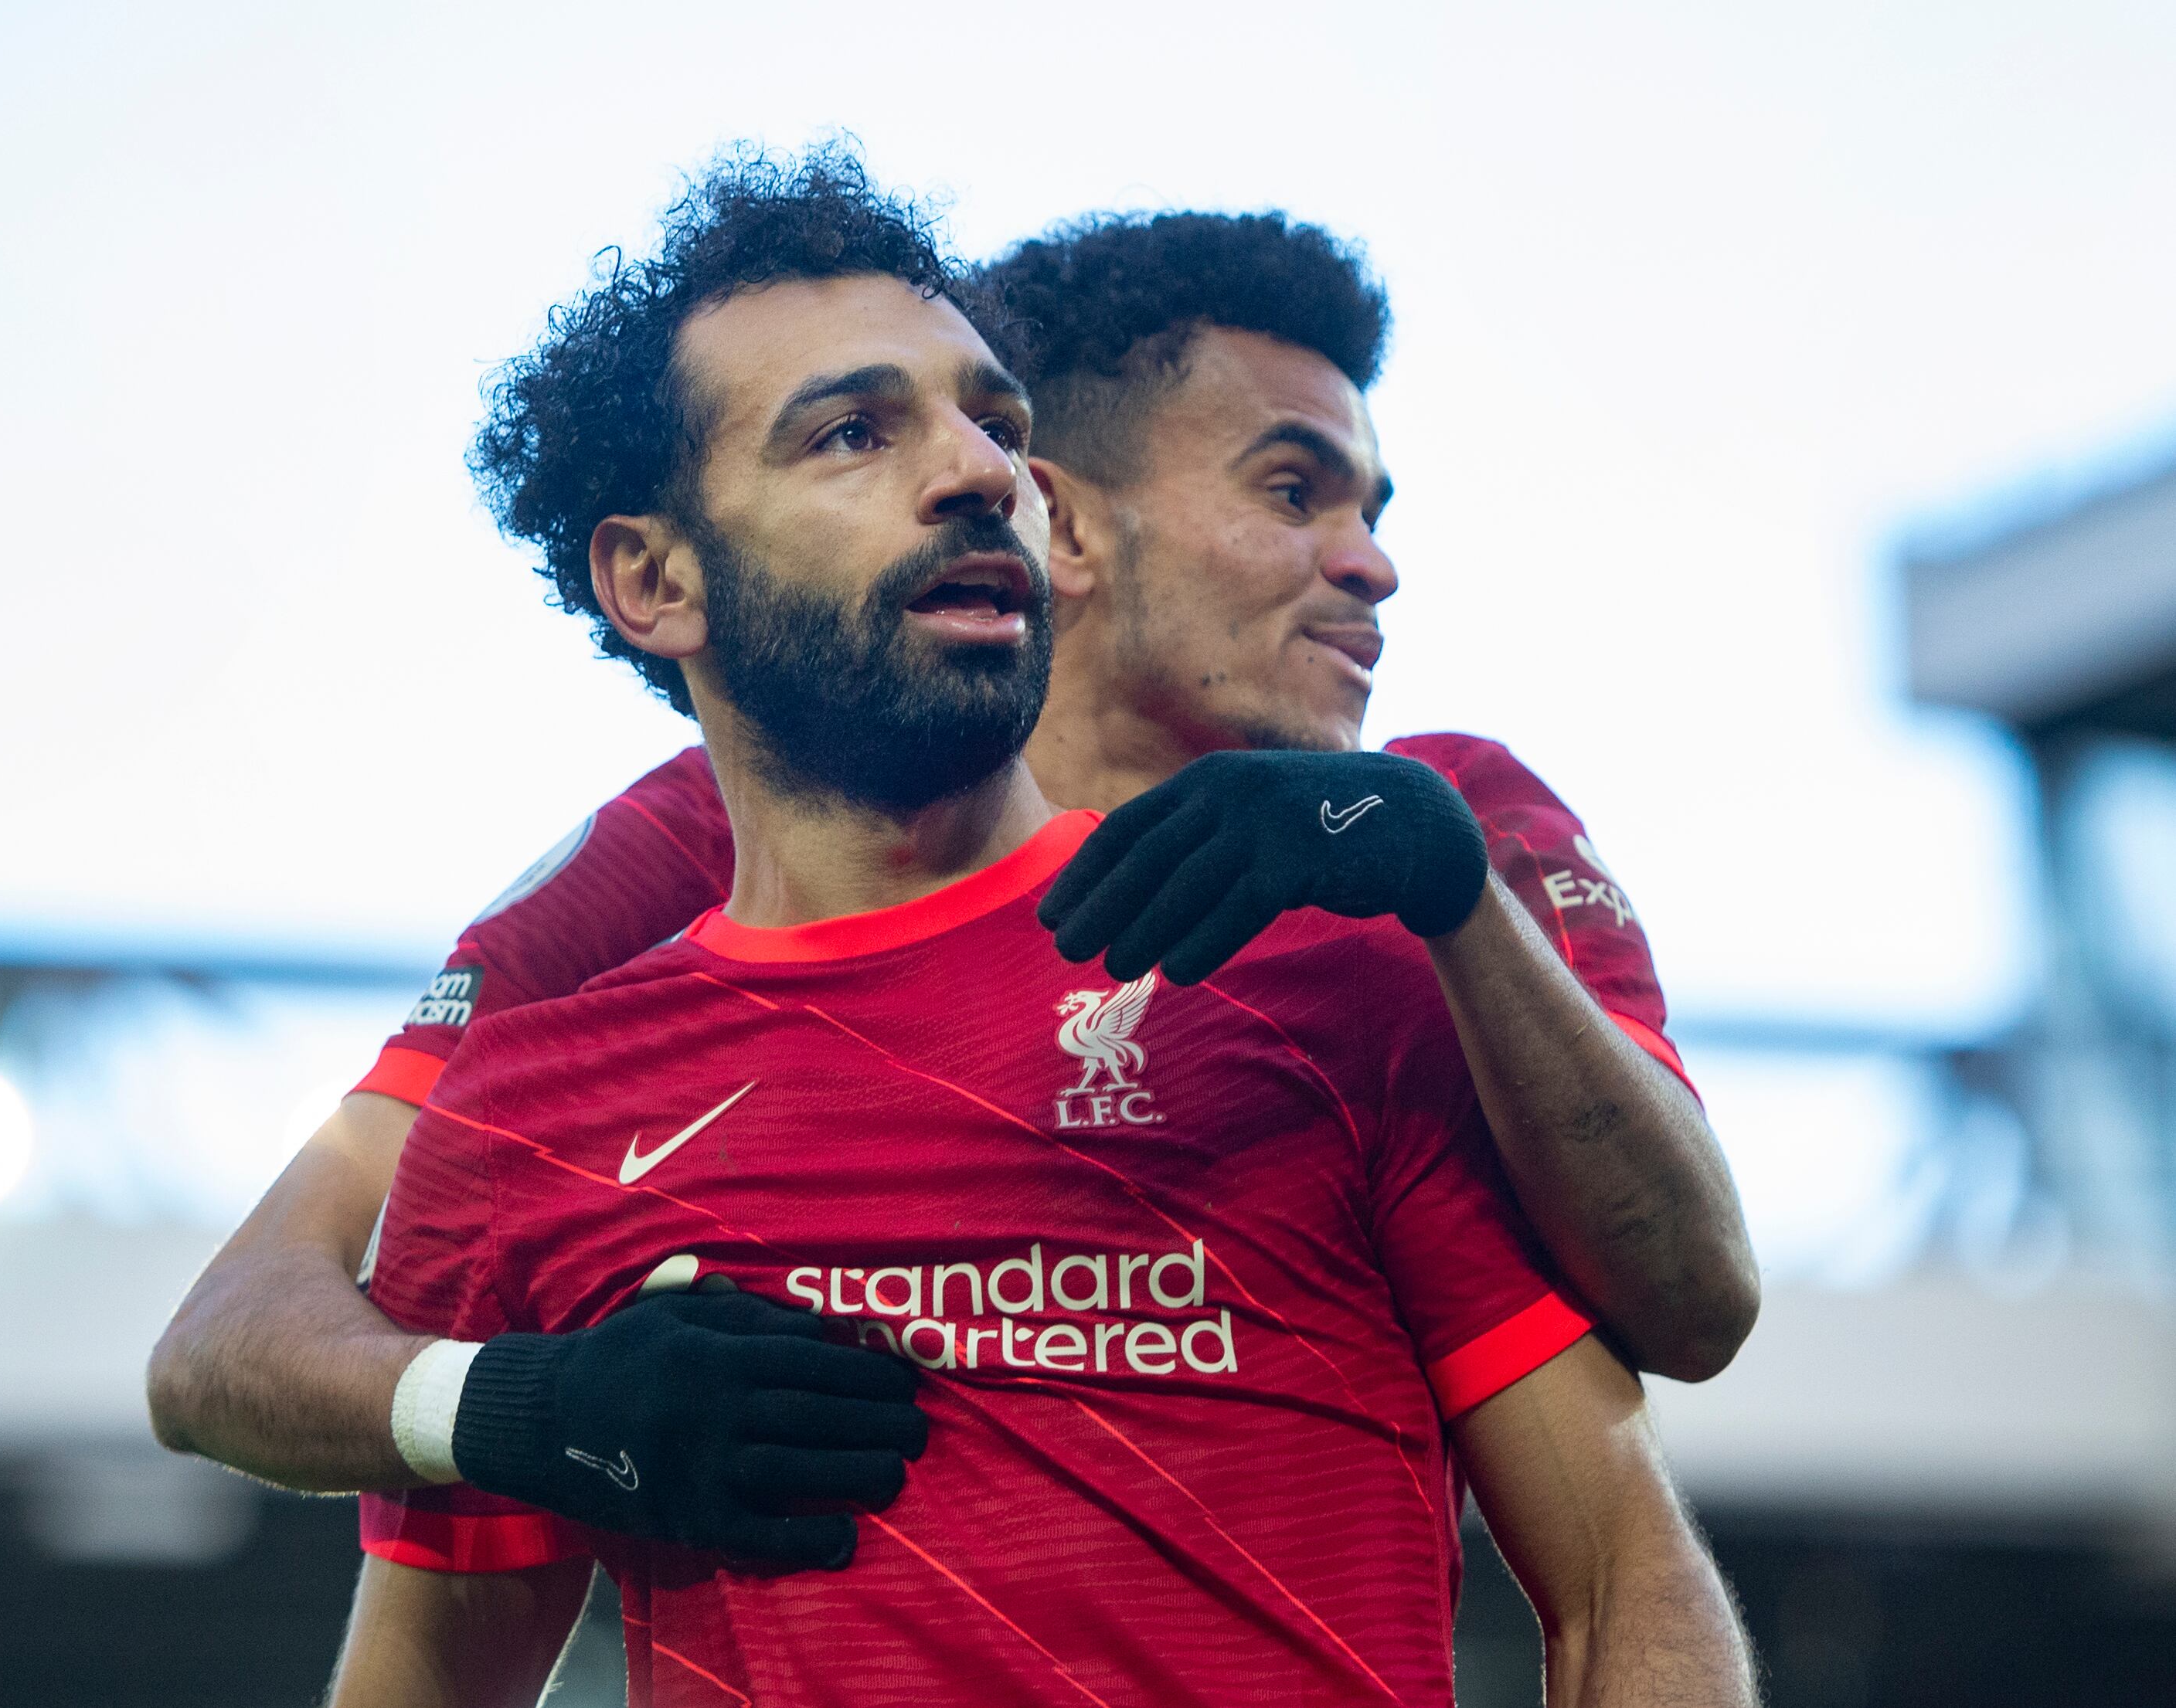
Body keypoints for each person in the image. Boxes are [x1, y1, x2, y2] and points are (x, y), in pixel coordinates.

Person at [318, 144, 1755, 1707]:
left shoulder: (1343, 964)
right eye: (855, 432)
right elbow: (265, 1421)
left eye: (995, 422)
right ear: (653, 578)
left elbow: (1625, 1562)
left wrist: (1452, 887)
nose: (975, 468)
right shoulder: (530, 1107)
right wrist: (487, 1400)